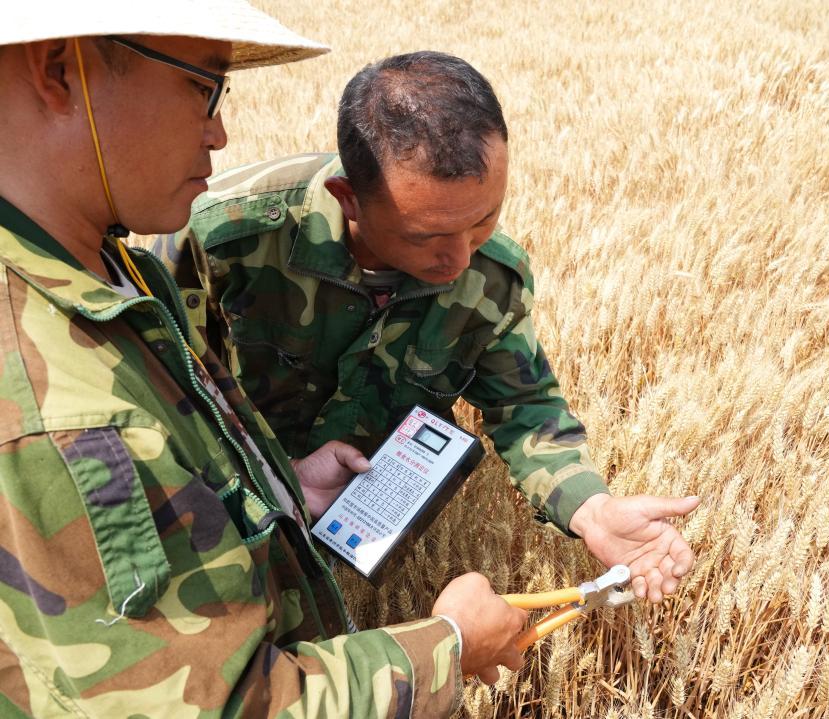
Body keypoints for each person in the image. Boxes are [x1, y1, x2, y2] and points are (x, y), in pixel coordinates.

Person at [0, 6, 526, 717]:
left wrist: (277, 491)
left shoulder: (104, 268)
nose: (220, 130)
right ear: (61, 71)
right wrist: (449, 645)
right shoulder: (61, 414)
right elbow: (224, 705)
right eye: (203, 87)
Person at [156, 51, 701, 604]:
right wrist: (269, 482)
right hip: (225, 518)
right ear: (349, 200)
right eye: (426, 237)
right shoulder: (225, 236)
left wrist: (593, 509)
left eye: (484, 219)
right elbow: (159, 391)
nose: (461, 260)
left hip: (368, 537)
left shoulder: (492, 276)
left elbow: (525, 406)